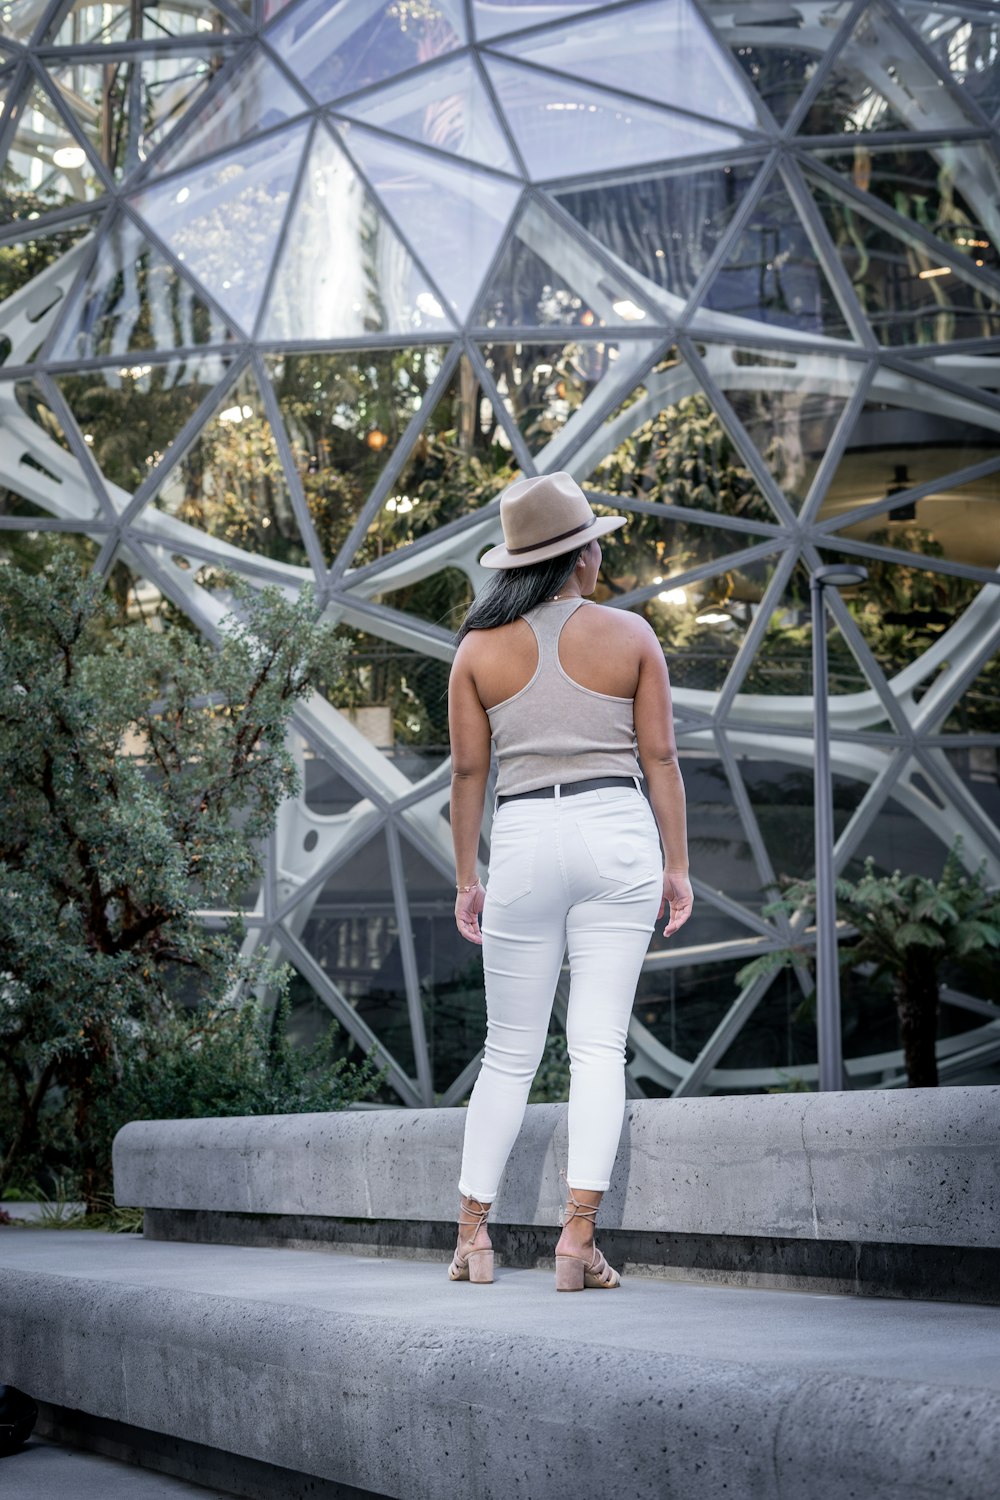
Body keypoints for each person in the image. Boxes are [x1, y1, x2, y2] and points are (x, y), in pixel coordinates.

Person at [446, 472, 692, 1292]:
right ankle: (576, 1239)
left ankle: (474, 1238)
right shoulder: (630, 635)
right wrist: (677, 866)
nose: (599, 553)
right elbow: (661, 759)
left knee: (508, 1054)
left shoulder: (478, 649)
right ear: (579, 556)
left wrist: (465, 879)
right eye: (595, 541)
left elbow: (468, 778)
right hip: (617, 835)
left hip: (519, 837)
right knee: (596, 1049)